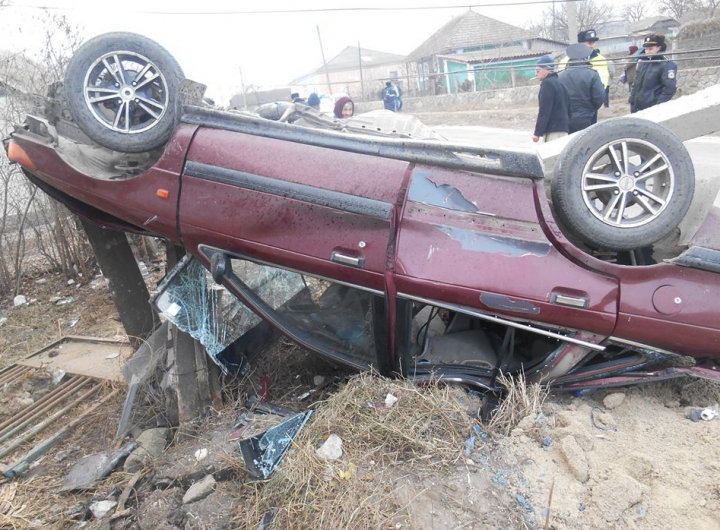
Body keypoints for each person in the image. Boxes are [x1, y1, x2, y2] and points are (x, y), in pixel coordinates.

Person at [559, 43, 605, 133]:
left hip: (565, 119)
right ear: (585, 57)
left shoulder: (560, 76)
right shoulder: (592, 74)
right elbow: (599, 97)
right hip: (586, 117)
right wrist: (591, 109)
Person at [630, 34, 677, 113]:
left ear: (659, 48)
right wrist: (632, 100)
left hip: (653, 108)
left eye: (651, 48)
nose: (648, 51)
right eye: (646, 49)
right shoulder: (642, 62)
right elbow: (636, 83)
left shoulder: (666, 64)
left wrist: (658, 106)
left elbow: (669, 88)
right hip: (638, 106)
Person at [532, 55, 571, 143]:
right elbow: (569, 109)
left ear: (547, 70)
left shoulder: (547, 84)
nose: (536, 74)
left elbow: (544, 110)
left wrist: (537, 132)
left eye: (538, 71)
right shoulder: (561, 85)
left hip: (553, 132)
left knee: (552, 156)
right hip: (563, 130)